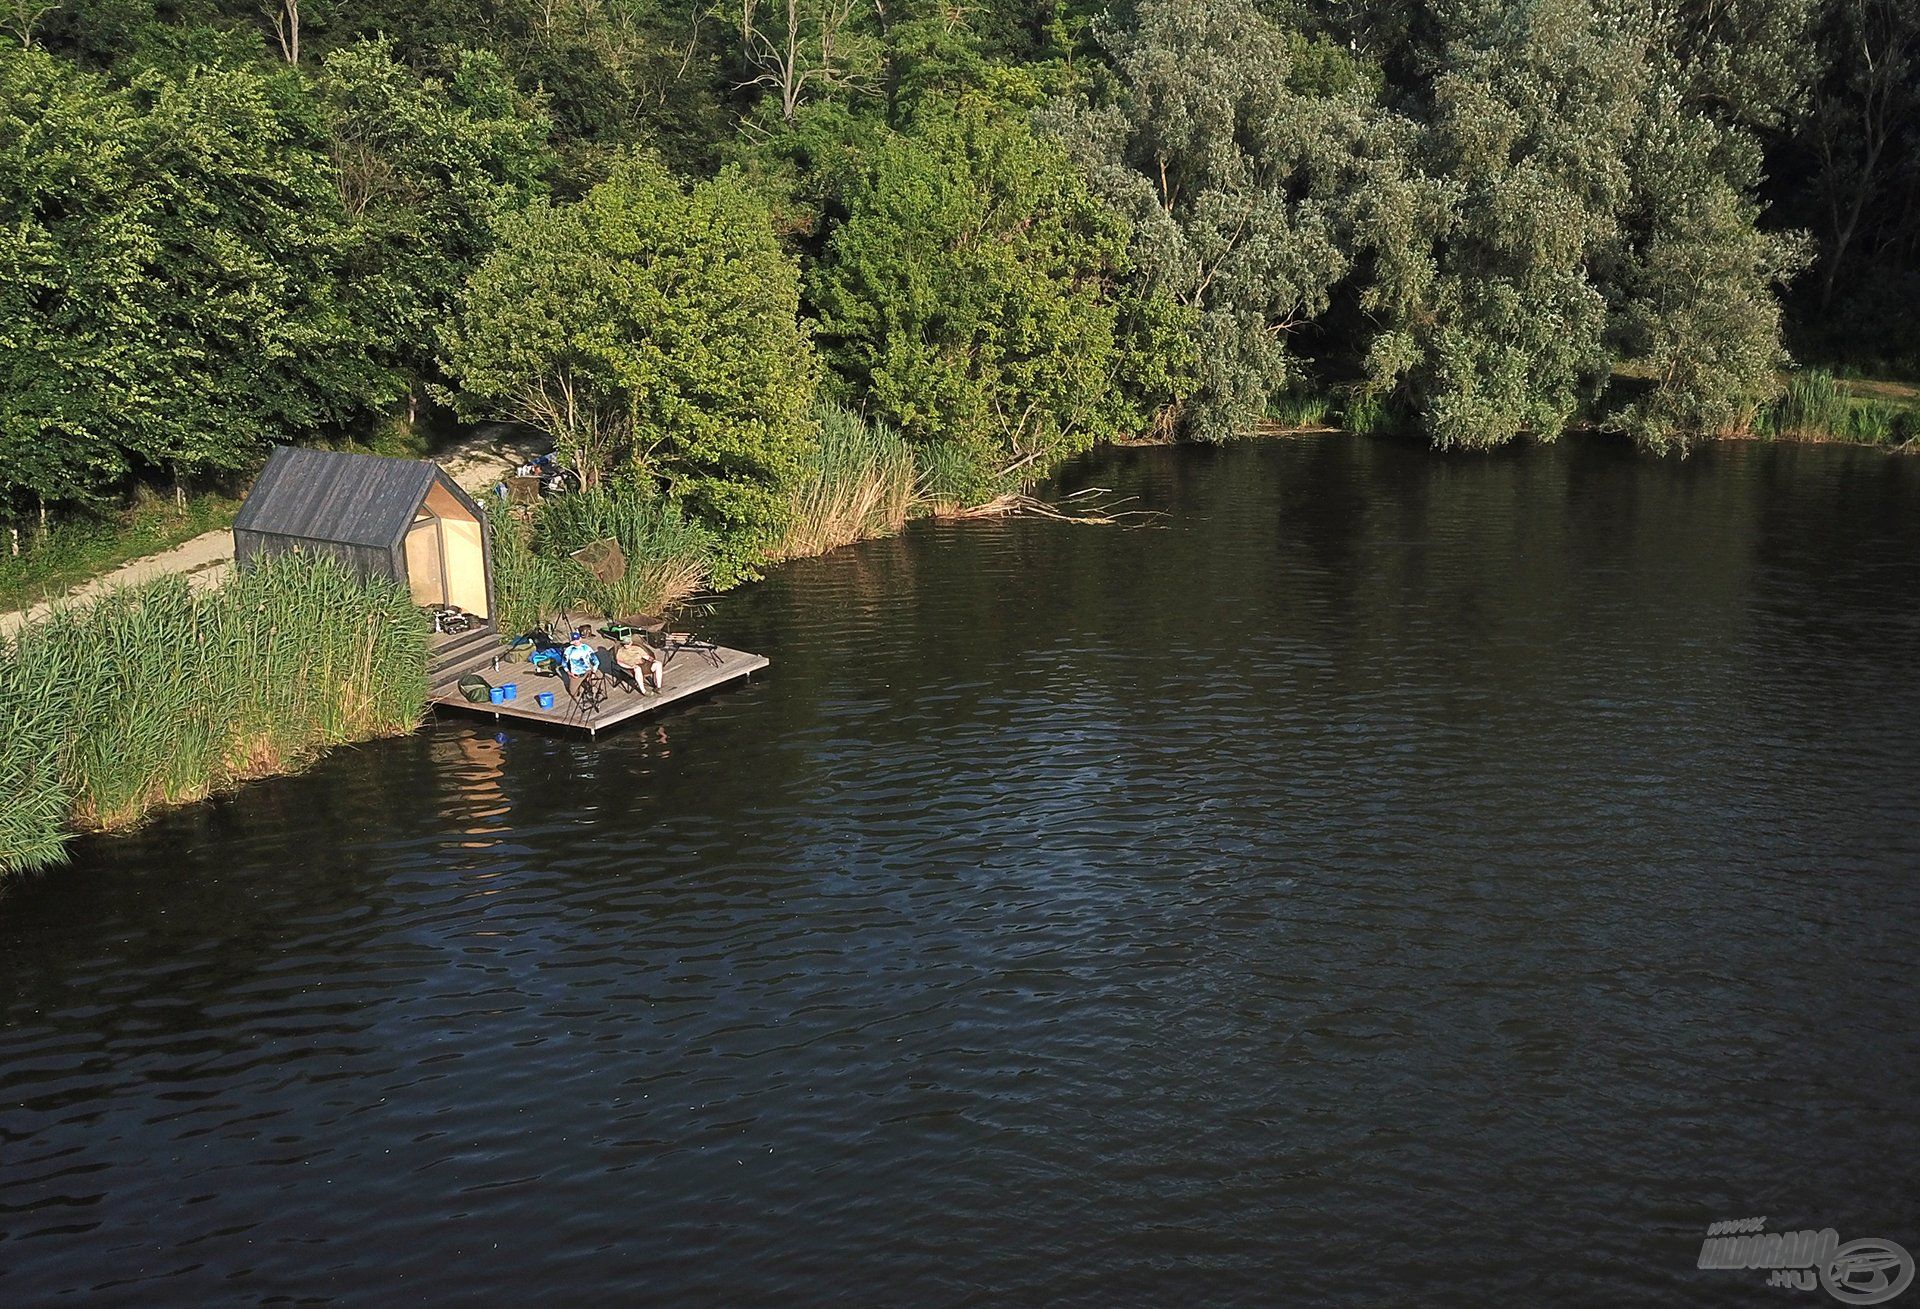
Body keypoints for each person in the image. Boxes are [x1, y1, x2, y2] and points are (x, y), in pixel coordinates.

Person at [560, 631, 601, 701]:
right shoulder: (568, 650)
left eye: (577, 639)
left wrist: (593, 672)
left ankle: (592, 694)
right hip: (576, 674)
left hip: (587, 671)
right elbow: (564, 663)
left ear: (580, 639)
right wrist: (569, 673)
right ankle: (580, 695)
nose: (576, 641)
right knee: (573, 692)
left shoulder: (587, 648)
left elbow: (596, 661)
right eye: (574, 640)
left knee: (593, 686)